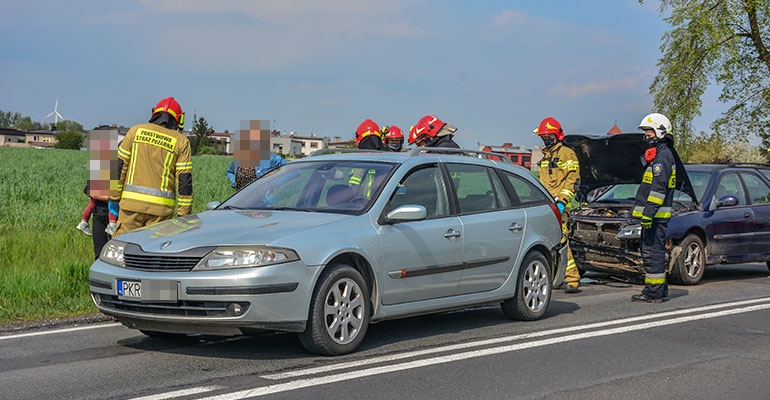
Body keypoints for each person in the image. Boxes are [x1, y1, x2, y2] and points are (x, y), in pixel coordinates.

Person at [110, 96, 193, 237]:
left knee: (122, 250)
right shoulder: (181, 142)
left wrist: (114, 197)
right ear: (179, 119)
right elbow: (184, 181)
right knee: (152, 255)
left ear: (154, 113)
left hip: (130, 206)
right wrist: (183, 214)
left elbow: (119, 167)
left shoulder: (135, 131)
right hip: (160, 212)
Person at [631, 113, 678, 303]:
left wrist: (649, 213)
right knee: (654, 251)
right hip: (655, 215)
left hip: (656, 215)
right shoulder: (660, 155)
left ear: (660, 131)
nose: (647, 135)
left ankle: (653, 292)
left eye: (649, 131)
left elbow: (658, 190)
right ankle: (661, 288)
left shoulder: (662, 158)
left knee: (653, 253)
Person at [534, 117, 582, 293]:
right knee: (551, 242)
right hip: (547, 205)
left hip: (559, 206)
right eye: (544, 137)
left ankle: (572, 279)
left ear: (558, 136)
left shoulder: (566, 153)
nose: (546, 140)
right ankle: (559, 277)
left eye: (549, 137)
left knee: (561, 241)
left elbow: (572, 179)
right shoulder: (546, 156)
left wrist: (562, 201)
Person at [226, 121, 287, 191]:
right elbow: (229, 172)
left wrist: (275, 184)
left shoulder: (271, 158)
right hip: (241, 199)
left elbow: (293, 171)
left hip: (262, 199)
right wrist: (235, 182)